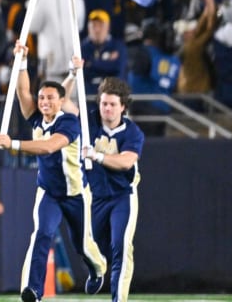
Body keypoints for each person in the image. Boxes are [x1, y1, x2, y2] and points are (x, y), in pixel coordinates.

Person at [0, 43, 105, 302]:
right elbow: (23, 92)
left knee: (81, 244)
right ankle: (34, 289)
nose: (44, 102)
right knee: (42, 234)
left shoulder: (69, 123)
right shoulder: (36, 117)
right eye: (42, 97)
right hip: (49, 193)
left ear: (62, 102)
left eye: (50, 98)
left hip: (75, 193)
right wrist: (22, 61)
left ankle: (97, 268)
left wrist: (14, 144)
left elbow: (48, 146)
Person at [64, 73, 145, 302]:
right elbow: (62, 100)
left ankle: (119, 298)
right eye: (103, 103)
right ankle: (97, 269)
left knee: (121, 246)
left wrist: (97, 156)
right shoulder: (89, 122)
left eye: (112, 104)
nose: (107, 108)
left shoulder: (132, 132)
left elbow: (126, 161)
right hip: (94, 196)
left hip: (122, 195)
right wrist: (72, 74)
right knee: (87, 245)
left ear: (123, 107)